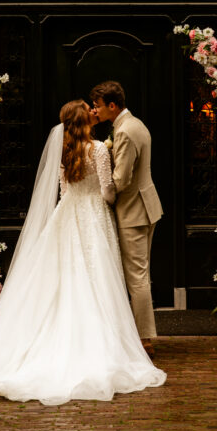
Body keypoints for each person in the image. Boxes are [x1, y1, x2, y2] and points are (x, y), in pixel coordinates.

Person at [0, 99, 166, 428]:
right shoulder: (99, 149)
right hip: (92, 217)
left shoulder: (64, 149)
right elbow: (107, 191)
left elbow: (62, 188)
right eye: (89, 108)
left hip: (67, 213)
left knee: (62, 278)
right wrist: (109, 199)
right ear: (84, 119)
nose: (93, 111)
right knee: (96, 277)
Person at [89, 82, 162, 359]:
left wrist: (96, 191)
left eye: (97, 104)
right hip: (144, 206)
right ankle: (139, 335)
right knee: (140, 274)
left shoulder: (126, 132)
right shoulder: (134, 124)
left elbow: (121, 179)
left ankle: (144, 340)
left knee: (137, 277)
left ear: (112, 105)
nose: (95, 110)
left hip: (133, 211)